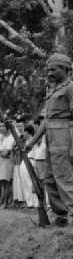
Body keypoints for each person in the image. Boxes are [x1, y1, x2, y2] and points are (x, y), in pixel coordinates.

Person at [26, 53, 73, 226]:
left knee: (64, 177)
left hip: (65, 136)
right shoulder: (52, 90)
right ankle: (61, 216)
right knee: (50, 179)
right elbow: (47, 121)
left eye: (53, 69)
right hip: (51, 138)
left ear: (65, 69)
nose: (49, 72)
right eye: (48, 69)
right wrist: (31, 143)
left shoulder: (70, 88)